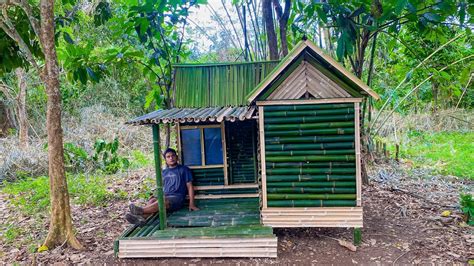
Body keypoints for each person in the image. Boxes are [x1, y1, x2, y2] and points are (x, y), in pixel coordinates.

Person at [125, 148, 199, 225]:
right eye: (168, 156)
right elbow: (162, 187)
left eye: (173, 156)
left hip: (177, 198)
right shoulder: (164, 172)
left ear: (176, 157)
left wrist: (191, 204)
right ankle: (142, 218)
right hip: (165, 196)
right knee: (152, 200)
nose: (171, 158)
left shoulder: (184, 169)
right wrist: (155, 196)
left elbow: (190, 187)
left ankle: (141, 210)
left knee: (163, 200)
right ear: (165, 160)